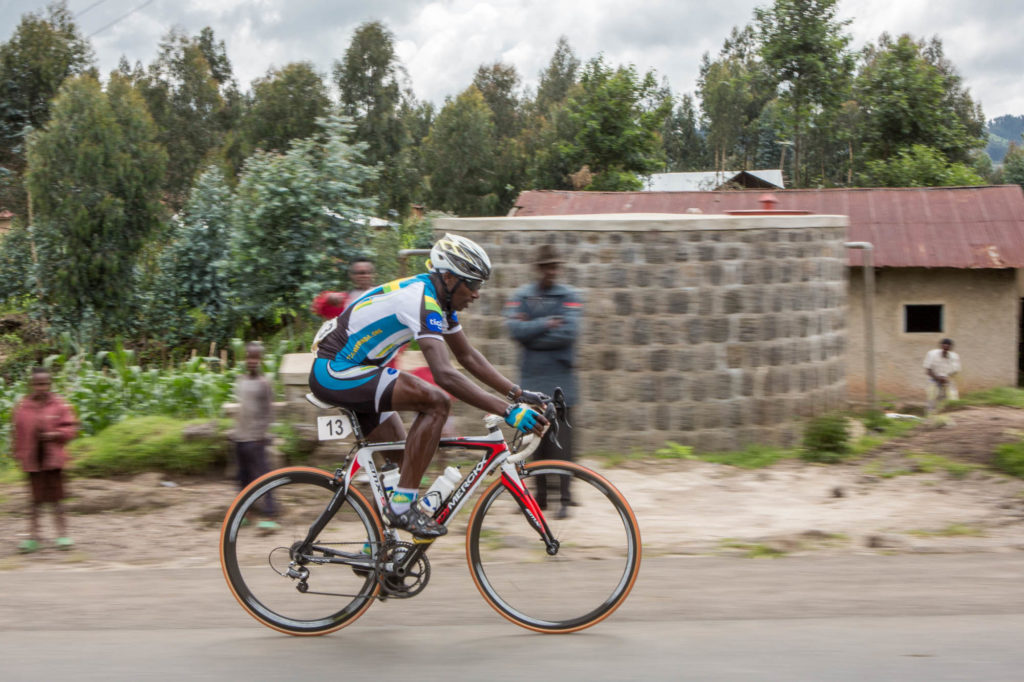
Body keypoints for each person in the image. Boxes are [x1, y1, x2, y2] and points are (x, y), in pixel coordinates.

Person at [308, 233, 548, 538]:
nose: (476, 294)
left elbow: (467, 356)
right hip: (335, 371)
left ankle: (380, 550)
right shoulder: (421, 299)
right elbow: (445, 374)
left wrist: (517, 393)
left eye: (480, 286)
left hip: (359, 370)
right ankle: (400, 509)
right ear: (448, 278)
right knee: (436, 401)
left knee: (403, 460)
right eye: (472, 284)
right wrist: (509, 411)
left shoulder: (439, 301)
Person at [504, 243, 583, 519]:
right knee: (533, 443)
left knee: (561, 445)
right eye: (545, 266)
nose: (551, 271)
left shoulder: (569, 296)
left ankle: (564, 498)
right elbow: (515, 329)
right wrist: (549, 323)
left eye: (554, 266)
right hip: (533, 385)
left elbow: (569, 333)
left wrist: (533, 332)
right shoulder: (522, 297)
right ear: (537, 268)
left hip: (562, 384)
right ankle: (539, 498)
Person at [12, 366, 79, 553]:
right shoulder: (23, 407)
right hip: (33, 461)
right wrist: (19, 454)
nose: (41, 387)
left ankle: (63, 536)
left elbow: (70, 429)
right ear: (31, 384)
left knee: (57, 500)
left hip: (53, 460)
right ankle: (33, 538)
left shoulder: (59, 405)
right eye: (37, 384)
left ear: (49, 384)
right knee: (34, 502)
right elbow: (17, 432)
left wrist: (54, 434)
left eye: (44, 384)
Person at [233, 342, 278, 529]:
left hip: (256, 439)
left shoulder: (264, 384)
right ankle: (246, 513)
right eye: (249, 357)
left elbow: (269, 412)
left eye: (255, 357)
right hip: (240, 437)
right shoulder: (240, 380)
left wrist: (261, 433)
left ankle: (271, 516)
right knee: (242, 478)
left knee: (263, 477)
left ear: (259, 360)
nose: (251, 361)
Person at [311, 257, 377, 319]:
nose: (364, 276)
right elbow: (316, 308)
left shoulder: (383, 292)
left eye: (367, 272)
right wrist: (327, 298)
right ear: (351, 275)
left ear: (374, 274)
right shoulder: (343, 300)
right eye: (359, 273)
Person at [924, 338, 961, 414]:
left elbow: (955, 370)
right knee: (932, 400)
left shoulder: (955, 357)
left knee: (952, 399)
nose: (946, 348)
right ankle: (931, 417)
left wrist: (946, 378)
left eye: (948, 346)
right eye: (944, 346)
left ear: (951, 348)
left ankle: (952, 416)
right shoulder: (932, 354)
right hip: (934, 379)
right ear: (940, 346)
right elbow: (928, 370)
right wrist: (938, 378)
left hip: (947, 380)